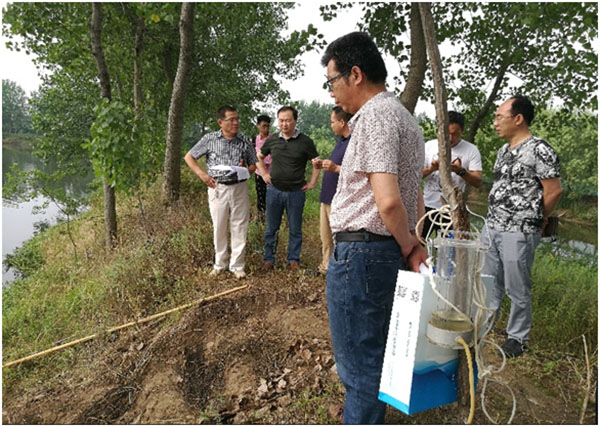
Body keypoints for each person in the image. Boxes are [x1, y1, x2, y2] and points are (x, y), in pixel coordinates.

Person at [321, 32, 428, 424]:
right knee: (374, 353)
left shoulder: (375, 118)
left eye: (332, 82)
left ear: (355, 74)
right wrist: (413, 240)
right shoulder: (406, 120)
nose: (332, 93)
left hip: (362, 255)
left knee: (360, 367)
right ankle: (361, 412)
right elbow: (414, 193)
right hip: (381, 253)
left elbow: (389, 201)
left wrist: (408, 244)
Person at [483, 95, 562, 358]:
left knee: (516, 286)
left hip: (519, 229)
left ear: (518, 119)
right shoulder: (502, 151)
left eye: (499, 116)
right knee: (488, 281)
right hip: (492, 226)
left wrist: (537, 218)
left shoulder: (540, 149)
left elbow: (553, 190)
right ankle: (483, 326)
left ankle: (517, 338)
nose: (495, 122)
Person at [184, 105, 258, 280]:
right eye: (231, 120)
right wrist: (202, 175)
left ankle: (237, 265)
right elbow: (189, 157)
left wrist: (245, 170)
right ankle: (220, 264)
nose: (236, 123)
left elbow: (254, 164)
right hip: (218, 187)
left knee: (239, 225)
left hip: (239, 187)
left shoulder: (245, 141)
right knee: (219, 225)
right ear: (220, 122)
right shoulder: (210, 139)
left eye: (237, 119)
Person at [256, 106, 320, 271]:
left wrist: (312, 182)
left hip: (296, 192)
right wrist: (264, 174)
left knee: (295, 228)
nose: (284, 124)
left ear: (295, 121)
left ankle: (293, 260)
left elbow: (317, 163)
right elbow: (259, 156)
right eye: (281, 120)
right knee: (271, 228)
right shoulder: (272, 140)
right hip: (274, 191)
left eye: (288, 120)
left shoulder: (305, 141)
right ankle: (269, 259)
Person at [421, 111, 483, 239]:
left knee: (449, 248)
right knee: (419, 241)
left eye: (455, 134)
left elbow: (477, 181)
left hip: (454, 209)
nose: (450, 138)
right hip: (427, 206)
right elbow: (416, 176)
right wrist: (432, 169)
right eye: (446, 133)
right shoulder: (429, 146)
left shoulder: (471, 150)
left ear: (462, 131)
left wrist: (460, 171)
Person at [313, 106, 352, 274]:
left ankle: (339, 269)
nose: (331, 125)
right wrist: (323, 164)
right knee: (326, 236)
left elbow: (358, 171)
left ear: (342, 122)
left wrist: (336, 168)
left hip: (340, 199)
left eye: (332, 122)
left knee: (339, 237)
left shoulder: (354, 142)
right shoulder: (341, 141)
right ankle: (326, 266)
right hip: (327, 197)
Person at [253, 115, 272, 222]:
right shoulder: (254, 140)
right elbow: (252, 156)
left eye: (268, 126)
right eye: (264, 126)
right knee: (261, 197)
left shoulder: (273, 139)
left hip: (272, 173)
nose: (266, 129)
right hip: (259, 173)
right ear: (258, 126)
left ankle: (272, 219)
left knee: (272, 197)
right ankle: (261, 219)